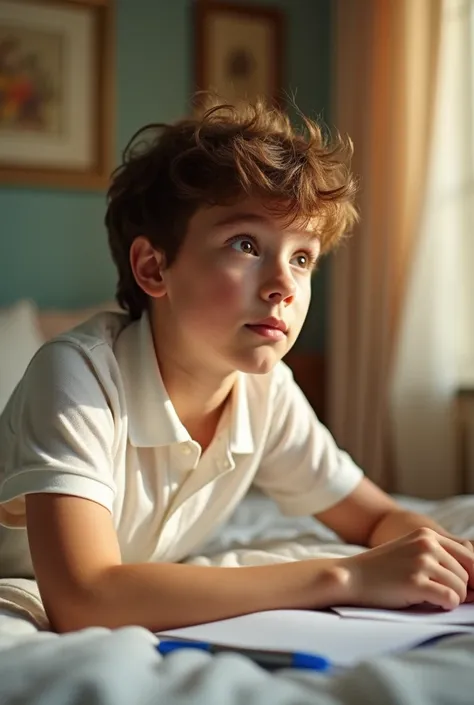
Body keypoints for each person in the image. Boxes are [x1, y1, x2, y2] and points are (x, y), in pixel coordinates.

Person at [0, 96, 473, 634]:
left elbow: (377, 517)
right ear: (153, 268)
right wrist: (345, 577)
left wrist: (443, 553)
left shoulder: (265, 391)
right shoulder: (76, 375)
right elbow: (84, 597)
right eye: (246, 244)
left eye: (302, 257)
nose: (284, 286)